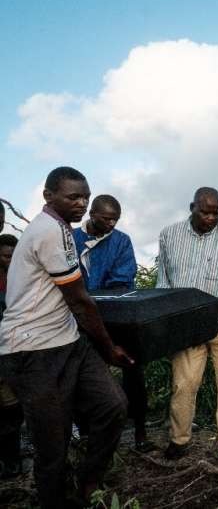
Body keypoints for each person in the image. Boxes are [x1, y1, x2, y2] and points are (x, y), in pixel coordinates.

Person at [0, 167, 132, 508]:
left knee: (112, 405)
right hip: (34, 349)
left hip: (68, 340)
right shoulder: (48, 232)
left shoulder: (62, 230)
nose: (81, 203)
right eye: (73, 197)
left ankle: (87, 482)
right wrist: (109, 349)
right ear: (48, 196)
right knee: (51, 446)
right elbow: (79, 300)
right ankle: (55, 499)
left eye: (84, 197)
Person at [156, 187, 218, 467]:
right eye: (205, 211)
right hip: (185, 327)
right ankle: (179, 439)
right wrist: (177, 321)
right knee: (184, 383)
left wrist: (204, 319)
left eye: (216, 213)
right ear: (192, 207)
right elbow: (164, 284)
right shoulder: (169, 235)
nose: (210, 218)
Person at [73, 195, 154, 452]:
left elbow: (122, 280)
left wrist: (95, 297)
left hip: (117, 318)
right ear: (92, 214)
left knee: (133, 371)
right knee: (82, 377)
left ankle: (140, 432)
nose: (111, 224)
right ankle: (87, 435)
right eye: (106, 218)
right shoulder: (72, 240)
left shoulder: (121, 241)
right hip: (80, 321)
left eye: (115, 219)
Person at [0, 233, 23, 479]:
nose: (11, 260)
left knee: (12, 410)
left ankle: (12, 461)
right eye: (7, 256)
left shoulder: (20, 278)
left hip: (16, 352)